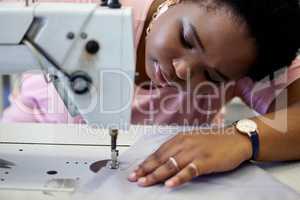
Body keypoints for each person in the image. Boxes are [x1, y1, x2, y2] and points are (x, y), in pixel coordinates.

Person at [2, 0, 300, 188]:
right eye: (186, 39)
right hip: (27, 135)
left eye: (211, 77)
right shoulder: (83, 10)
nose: (182, 70)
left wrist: (241, 137)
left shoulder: (251, 49)